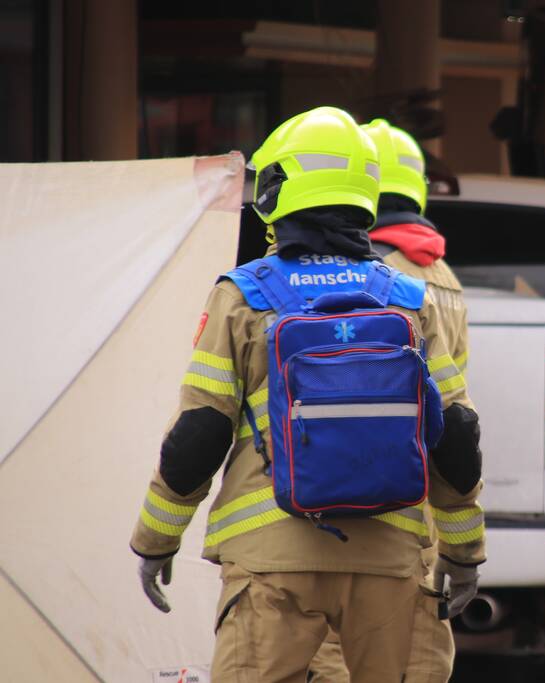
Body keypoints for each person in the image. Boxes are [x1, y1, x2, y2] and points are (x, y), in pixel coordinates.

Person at [129, 106, 485, 683]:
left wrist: (156, 539)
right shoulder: (409, 299)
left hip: (271, 564)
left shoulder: (244, 296)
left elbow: (200, 433)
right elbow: (456, 435)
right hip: (388, 562)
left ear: (276, 190)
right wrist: (464, 551)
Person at [306, 119, 473, 683]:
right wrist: (464, 539)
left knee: (339, 659)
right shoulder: (441, 275)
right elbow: (456, 419)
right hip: (420, 504)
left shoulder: (374, 276)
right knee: (420, 659)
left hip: (356, 500)